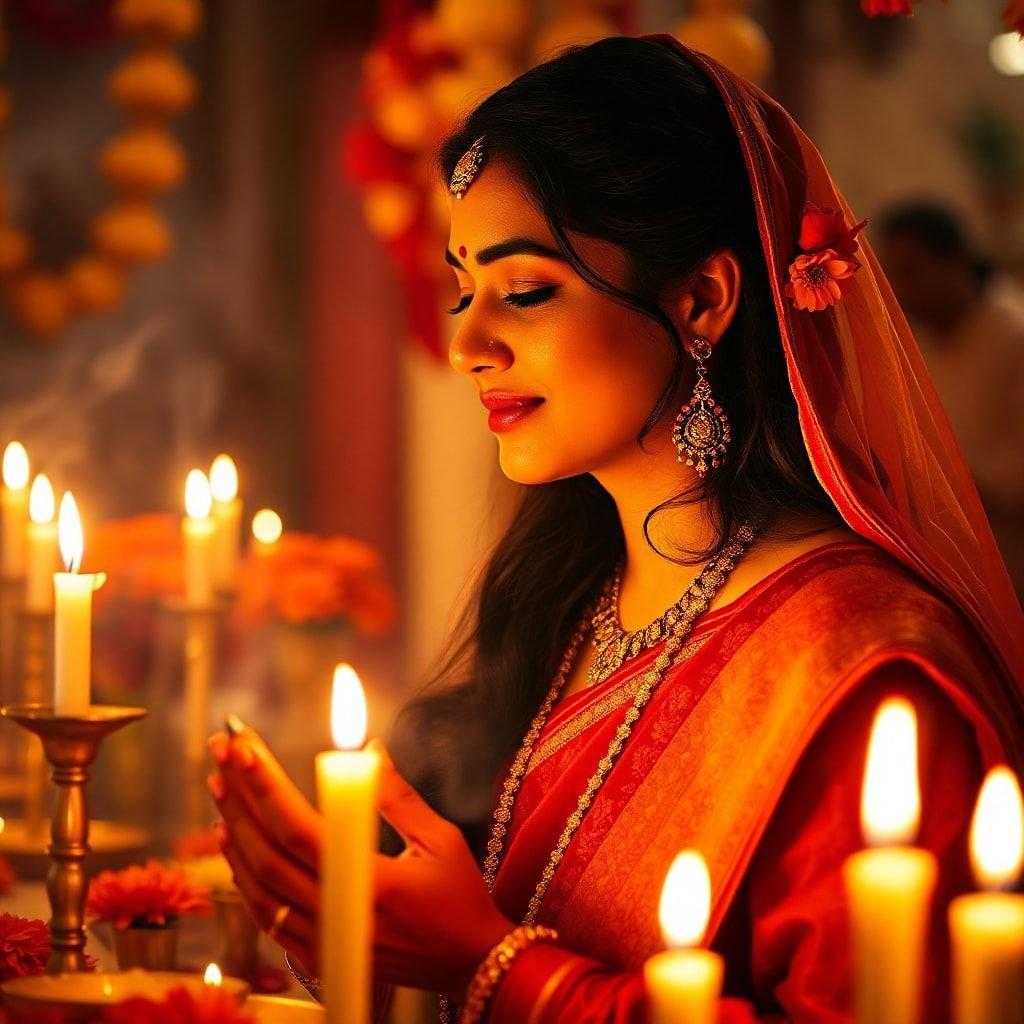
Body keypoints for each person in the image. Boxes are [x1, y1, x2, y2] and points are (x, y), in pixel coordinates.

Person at [206, 36, 1024, 1023]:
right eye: (463, 287)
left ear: (702, 299)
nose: (466, 342)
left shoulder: (862, 674)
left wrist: (495, 966)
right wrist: (348, 923)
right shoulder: (571, 600)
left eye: (525, 290)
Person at [878, 201, 1024, 599]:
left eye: (911, 271)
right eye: (893, 275)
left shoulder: (1013, 335)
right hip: (954, 560)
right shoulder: (915, 339)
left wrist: (939, 486)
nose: (900, 290)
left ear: (955, 260)